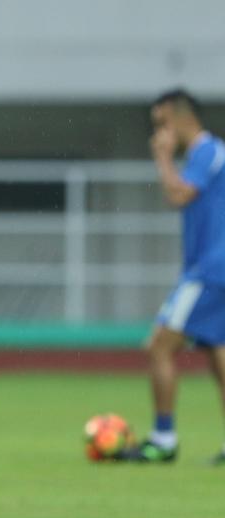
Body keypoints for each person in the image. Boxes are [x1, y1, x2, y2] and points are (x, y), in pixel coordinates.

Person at [126, 89, 225, 463]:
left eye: (162, 123)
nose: (159, 133)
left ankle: (163, 440)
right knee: (218, 354)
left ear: (182, 117)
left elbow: (179, 194)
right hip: (215, 268)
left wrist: (162, 157)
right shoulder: (211, 154)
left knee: (160, 345)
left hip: (211, 271)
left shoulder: (207, 152)